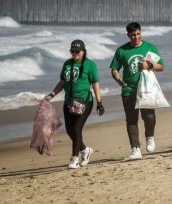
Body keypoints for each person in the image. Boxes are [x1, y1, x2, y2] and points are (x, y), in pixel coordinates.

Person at [43, 39, 105, 169]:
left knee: (77, 129)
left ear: (83, 51)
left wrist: (99, 102)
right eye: (73, 51)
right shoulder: (67, 64)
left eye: (77, 51)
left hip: (84, 101)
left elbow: (95, 84)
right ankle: (85, 150)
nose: (75, 53)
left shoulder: (90, 65)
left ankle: (74, 159)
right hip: (69, 102)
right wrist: (51, 95)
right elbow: (62, 83)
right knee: (70, 131)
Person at [110, 22, 164, 160]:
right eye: (133, 35)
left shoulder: (150, 48)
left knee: (149, 117)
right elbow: (114, 69)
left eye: (138, 34)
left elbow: (161, 66)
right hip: (129, 89)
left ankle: (150, 136)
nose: (136, 37)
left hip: (146, 88)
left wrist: (149, 65)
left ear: (141, 32)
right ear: (128, 35)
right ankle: (135, 149)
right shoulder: (122, 51)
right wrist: (118, 80)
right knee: (131, 120)